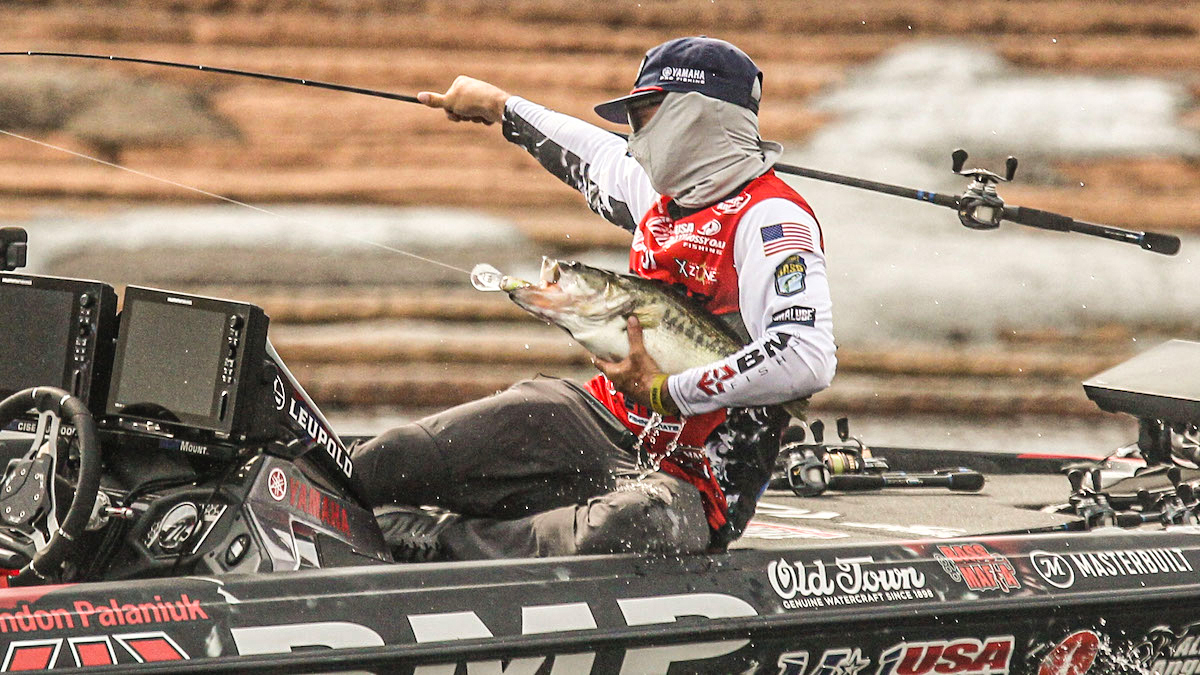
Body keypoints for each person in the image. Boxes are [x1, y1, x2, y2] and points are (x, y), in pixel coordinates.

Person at [350, 36, 836, 561]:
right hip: (599, 420)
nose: (634, 139)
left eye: (645, 116)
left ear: (700, 117)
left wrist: (667, 389)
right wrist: (498, 106)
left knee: (627, 527)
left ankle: (433, 543)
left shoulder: (773, 220)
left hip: (694, 484)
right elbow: (584, 150)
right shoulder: (656, 191)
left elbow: (805, 356)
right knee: (397, 457)